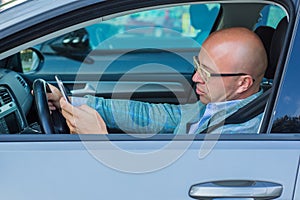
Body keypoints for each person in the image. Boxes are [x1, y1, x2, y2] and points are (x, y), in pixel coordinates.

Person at [46, 27, 268, 134]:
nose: (195, 77)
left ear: (243, 83)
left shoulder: (240, 133)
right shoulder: (216, 106)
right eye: (197, 65)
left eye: (206, 73)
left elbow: (170, 186)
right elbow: (151, 115)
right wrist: (70, 102)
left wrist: (99, 141)